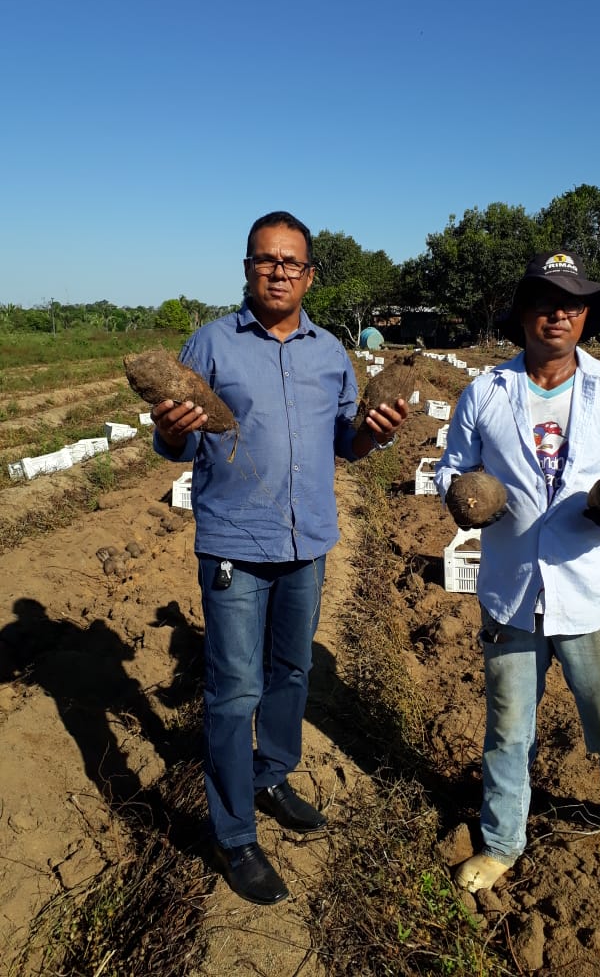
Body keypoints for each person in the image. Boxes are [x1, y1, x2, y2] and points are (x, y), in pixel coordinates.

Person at [152, 211, 407, 905]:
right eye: (266, 259)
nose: (278, 271)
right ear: (247, 269)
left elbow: (348, 443)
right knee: (235, 691)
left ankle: (271, 775)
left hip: (307, 543)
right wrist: (169, 430)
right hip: (235, 544)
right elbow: (176, 445)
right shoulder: (210, 344)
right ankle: (234, 835)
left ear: (310, 275)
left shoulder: (331, 353)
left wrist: (376, 432)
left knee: (291, 672)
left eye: (291, 261)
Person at [434, 251, 600, 892]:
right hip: (513, 592)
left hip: (596, 592)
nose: (558, 314)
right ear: (523, 314)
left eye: (572, 304)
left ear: (586, 317)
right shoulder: (486, 392)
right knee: (507, 729)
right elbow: (452, 466)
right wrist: (466, 494)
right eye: (544, 302)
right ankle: (501, 841)